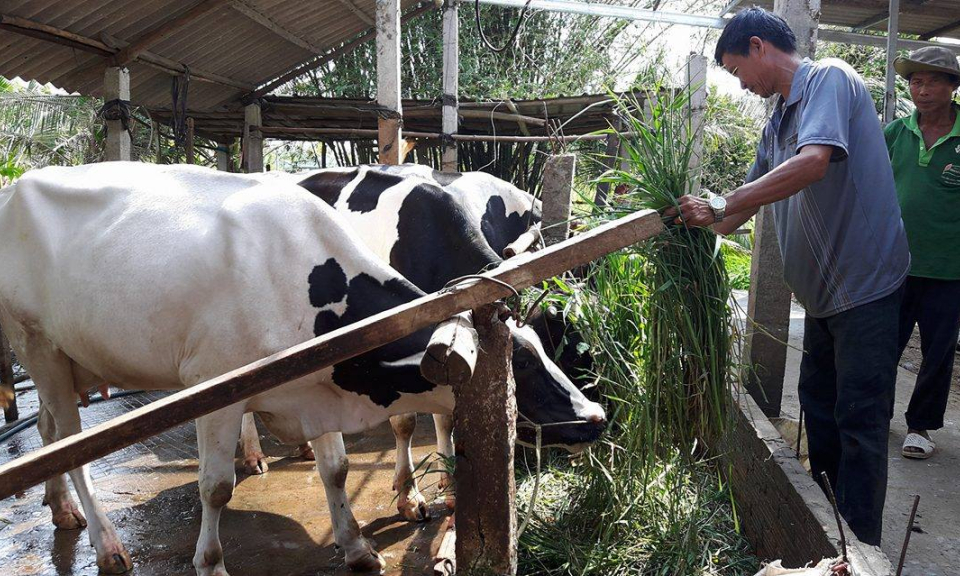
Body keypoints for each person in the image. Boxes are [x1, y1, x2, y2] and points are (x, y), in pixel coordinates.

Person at [666, 8, 910, 546]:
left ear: (759, 47)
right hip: (822, 299)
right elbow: (735, 212)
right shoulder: (775, 123)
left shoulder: (830, 78)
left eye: (737, 71)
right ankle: (827, 528)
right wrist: (678, 226)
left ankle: (860, 544)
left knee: (860, 420)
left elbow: (814, 162)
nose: (742, 85)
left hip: (865, 288)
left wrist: (720, 203)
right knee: (819, 410)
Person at [884, 46, 960, 460]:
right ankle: (876, 417)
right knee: (884, 344)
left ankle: (920, 427)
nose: (922, 89)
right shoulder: (895, 133)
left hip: (950, 268)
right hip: (895, 264)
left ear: (952, 86)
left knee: (938, 351)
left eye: (932, 80)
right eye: (915, 81)